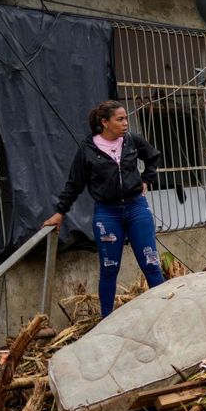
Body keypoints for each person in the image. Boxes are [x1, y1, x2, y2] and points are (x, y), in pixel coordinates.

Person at [45, 100, 166, 319]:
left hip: (136, 208)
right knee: (109, 269)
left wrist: (147, 179)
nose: (125, 123)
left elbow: (153, 156)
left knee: (151, 264)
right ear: (104, 123)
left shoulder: (131, 141)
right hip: (107, 214)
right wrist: (60, 212)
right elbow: (75, 184)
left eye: (125, 118)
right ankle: (107, 320)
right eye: (119, 119)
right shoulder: (88, 149)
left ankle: (167, 315)